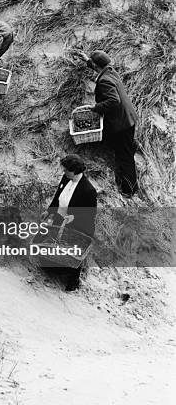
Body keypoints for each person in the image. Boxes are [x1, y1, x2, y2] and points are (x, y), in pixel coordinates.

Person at [74, 49, 139, 197]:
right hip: (128, 117)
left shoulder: (104, 81)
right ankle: (131, 144)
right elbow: (99, 68)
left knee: (124, 156)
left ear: (97, 66)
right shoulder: (110, 70)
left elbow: (114, 101)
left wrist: (96, 107)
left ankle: (130, 189)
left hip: (122, 123)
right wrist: (87, 60)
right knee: (123, 144)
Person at [43, 154, 97, 291]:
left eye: (66, 170)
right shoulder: (66, 178)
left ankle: (74, 281)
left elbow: (90, 214)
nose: (64, 172)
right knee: (54, 242)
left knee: (72, 251)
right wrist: (49, 211)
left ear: (75, 171)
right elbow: (57, 198)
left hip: (79, 224)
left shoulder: (88, 190)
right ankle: (53, 268)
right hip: (60, 217)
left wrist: (74, 217)